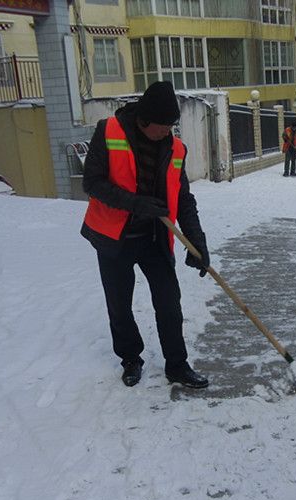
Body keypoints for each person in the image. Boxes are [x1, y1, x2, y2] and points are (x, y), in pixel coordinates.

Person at [81, 81, 210, 389]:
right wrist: (136, 203)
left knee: (169, 303)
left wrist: (197, 242)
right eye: (162, 126)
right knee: (119, 304)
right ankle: (130, 358)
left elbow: (183, 199)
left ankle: (177, 365)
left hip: (154, 237)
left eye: (172, 126)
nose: (167, 132)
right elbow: (92, 183)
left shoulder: (175, 148)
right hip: (114, 238)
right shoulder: (108, 132)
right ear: (144, 120)